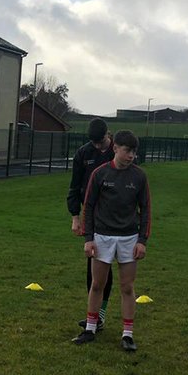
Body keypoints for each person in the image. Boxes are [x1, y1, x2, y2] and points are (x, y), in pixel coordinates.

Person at [73, 130, 152, 352]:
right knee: (97, 284)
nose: (131, 156)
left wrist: (142, 240)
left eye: (134, 152)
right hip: (102, 237)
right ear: (115, 148)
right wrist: (89, 239)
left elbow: (146, 209)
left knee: (127, 287)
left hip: (129, 238)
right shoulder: (99, 174)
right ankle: (90, 328)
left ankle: (127, 335)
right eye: (127, 151)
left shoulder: (139, 176)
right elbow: (88, 206)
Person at [68, 118, 115, 332]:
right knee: (93, 263)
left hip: (113, 215)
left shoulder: (118, 151)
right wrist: (75, 216)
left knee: (105, 263)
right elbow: (74, 186)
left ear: (108, 134)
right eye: (94, 143)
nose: (98, 146)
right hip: (90, 213)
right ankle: (94, 316)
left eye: (101, 142)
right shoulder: (83, 153)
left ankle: (99, 314)